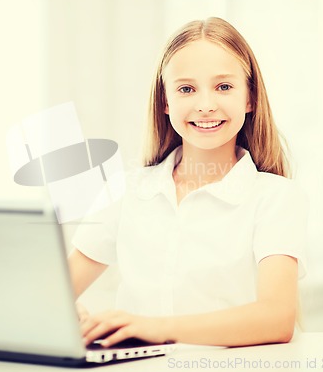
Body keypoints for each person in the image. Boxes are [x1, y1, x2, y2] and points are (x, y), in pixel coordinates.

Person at [68, 17, 308, 348]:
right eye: (186, 89)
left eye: (224, 87)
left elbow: (276, 318)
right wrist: (72, 316)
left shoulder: (275, 197)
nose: (205, 105)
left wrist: (156, 328)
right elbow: (55, 292)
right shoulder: (125, 189)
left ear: (250, 98)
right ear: (165, 102)